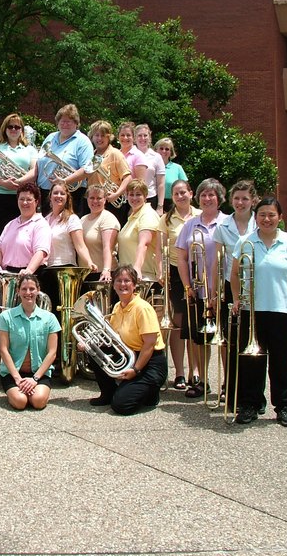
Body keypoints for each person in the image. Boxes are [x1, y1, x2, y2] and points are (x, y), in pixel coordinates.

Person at [231, 197, 287, 428]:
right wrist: (236, 300)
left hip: (282, 311)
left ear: (280, 218)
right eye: (262, 214)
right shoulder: (245, 242)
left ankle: (284, 406)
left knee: (282, 363)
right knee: (252, 363)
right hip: (251, 312)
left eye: (272, 214)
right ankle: (250, 405)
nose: (267, 219)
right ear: (256, 217)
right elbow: (234, 275)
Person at [86, 265, 167, 415]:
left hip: (149, 364)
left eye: (127, 281)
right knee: (93, 348)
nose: (122, 284)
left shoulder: (143, 308)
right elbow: (111, 337)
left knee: (121, 406)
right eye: (118, 281)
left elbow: (149, 345)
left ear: (134, 285)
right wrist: (87, 342)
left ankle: (150, 393)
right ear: (113, 284)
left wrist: (136, 370)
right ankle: (108, 394)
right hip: (130, 355)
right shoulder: (117, 306)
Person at [175, 178, 228, 399]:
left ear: (219, 198)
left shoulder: (227, 223)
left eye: (211, 195)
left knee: (225, 339)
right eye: (204, 195)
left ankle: (228, 383)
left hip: (223, 291)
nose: (207, 199)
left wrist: (218, 292)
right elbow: (181, 258)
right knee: (200, 339)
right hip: (197, 291)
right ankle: (202, 381)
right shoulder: (190, 224)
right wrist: (187, 286)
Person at [212, 179, 258, 405]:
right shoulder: (223, 227)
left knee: (254, 341)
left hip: (256, 288)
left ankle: (252, 393)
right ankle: (229, 386)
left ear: (254, 201)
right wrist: (214, 291)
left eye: (245, 199)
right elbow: (217, 262)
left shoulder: (260, 224)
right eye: (237, 198)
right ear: (231, 200)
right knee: (230, 341)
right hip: (231, 289)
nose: (240, 203)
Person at [0, 274, 60, 410]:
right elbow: (3, 350)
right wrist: (18, 379)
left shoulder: (50, 318)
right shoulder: (5, 317)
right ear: (18, 291)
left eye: (32, 289)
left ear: (38, 290)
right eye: (24, 289)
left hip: (39, 373)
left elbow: (52, 353)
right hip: (13, 374)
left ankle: (29, 390)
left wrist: (35, 379)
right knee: (20, 402)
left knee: (38, 401)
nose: (28, 293)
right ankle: (17, 392)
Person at [158, 180, 200, 390]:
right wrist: (161, 270)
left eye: (183, 192)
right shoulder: (166, 218)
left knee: (195, 322)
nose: (180, 196)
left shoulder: (200, 215)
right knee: (178, 321)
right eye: (176, 193)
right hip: (175, 271)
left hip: (199, 270)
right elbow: (161, 247)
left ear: (191, 193)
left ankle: (196, 371)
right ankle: (180, 373)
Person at [41, 180, 96, 314]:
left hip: (65, 270)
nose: (58, 196)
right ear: (50, 196)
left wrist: (89, 262)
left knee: (63, 312)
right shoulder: (44, 220)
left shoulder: (72, 219)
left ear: (67, 198)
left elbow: (80, 246)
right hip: (47, 270)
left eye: (62, 193)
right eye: (55, 193)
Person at [0, 113, 39, 241]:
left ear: (22, 130)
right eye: (10, 127)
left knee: (23, 235)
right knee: (2, 235)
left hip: (23, 196)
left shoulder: (29, 149)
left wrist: (19, 181)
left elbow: (34, 171)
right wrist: (4, 183)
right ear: (5, 129)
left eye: (17, 127)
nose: (13, 129)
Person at [37, 104, 93, 216]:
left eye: (69, 121)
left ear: (76, 123)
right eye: (62, 121)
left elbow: (88, 169)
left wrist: (64, 181)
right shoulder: (50, 137)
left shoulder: (83, 141)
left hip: (71, 194)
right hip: (46, 192)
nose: (65, 124)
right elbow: (40, 161)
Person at [0, 182, 50, 275]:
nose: (25, 202)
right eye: (21, 199)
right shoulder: (10, 224)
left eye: (29, 199)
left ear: (36, 202)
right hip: (8, 274)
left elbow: (41, 252)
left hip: (31, 275)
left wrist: (29, 270)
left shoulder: (41, 224)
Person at [87, 120, 131, 225]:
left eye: (103, 135)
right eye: (96, 135)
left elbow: (128, 177)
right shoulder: (91, 155)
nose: (99, 139)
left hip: (112, 202)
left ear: (109, 137)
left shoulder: (115, 154)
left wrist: (116, 194)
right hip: (94, 201)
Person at [117, 180, 160, 283]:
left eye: (138, 194)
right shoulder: (133, 217)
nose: (134, 198)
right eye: (131, 194)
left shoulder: (147, 214)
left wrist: (137, 268)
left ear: (145, 196)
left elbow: (144, 244)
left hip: (143, 276)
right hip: (129, 276)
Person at [80, 185, 120, 285]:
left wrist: (106, 269)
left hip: (103, 274)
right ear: (87, 199)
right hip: (85, 274)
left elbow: (108, 247)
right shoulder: (82, 219)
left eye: (99, 198)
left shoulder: (107, 218)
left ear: (105, 200)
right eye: (92, 198)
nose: (95, 201)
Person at [134, 124, 166, 215]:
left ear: (150, 137)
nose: (142, 138)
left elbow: (161, 183)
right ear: (135, 138)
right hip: (131, 198)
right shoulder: (129, 155)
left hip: (150, 198)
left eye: (145, 135)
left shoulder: (156, 157)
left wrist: (160, 206)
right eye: (139, 135)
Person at [154, 137, 188, 212]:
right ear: (156, 150)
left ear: (171, 152)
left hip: (173, 203)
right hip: (154, 202)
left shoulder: (177, 168)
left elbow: (186, 188)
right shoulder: (151, 168)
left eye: (167, 149)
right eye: (161, 148)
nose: (164, 151)